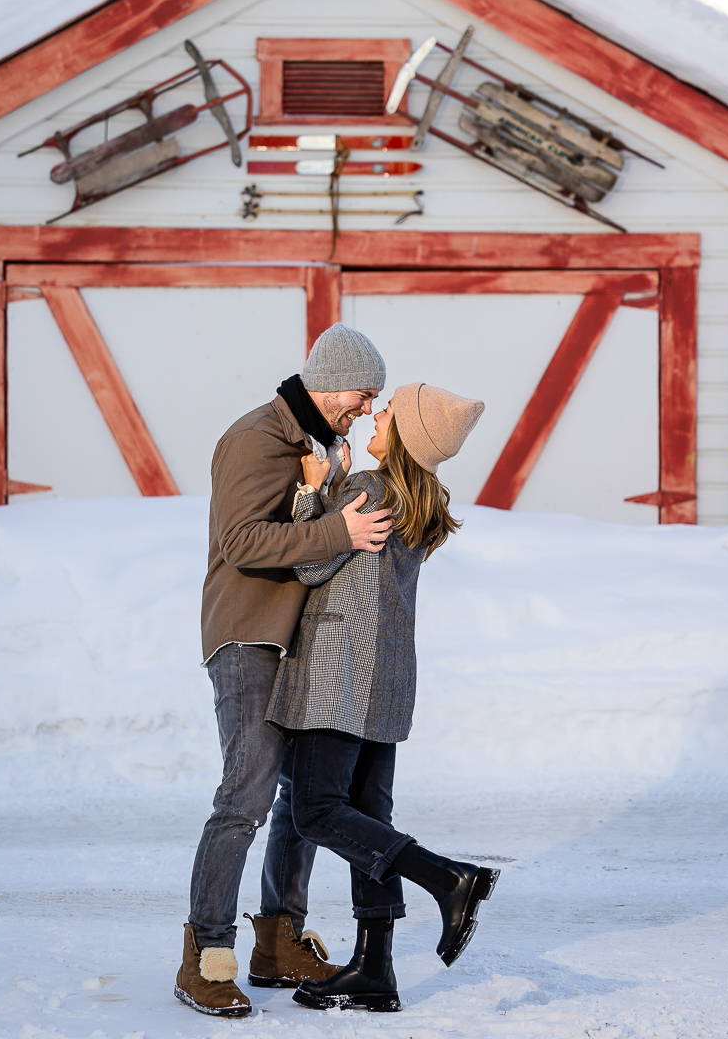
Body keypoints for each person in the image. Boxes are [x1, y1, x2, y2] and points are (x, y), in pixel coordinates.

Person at [176, 324, 394, 1018]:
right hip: (248, 637)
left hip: (297, 643)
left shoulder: (314, 446)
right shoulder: (257, 437)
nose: (364, 410)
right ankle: (205, 958)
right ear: (331, 381)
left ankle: (277, 942)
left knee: (302, 803)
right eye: (362, 396)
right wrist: (340, 530)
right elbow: (240, 542)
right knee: (244, 798)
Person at [265, 383, 499, 1014]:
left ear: (409, 435)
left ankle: (449, 878)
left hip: (338, 680)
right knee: (369, 816)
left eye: (389, 411)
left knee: (315, 810)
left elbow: (310, 565)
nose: (376, 414)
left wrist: (313, 491)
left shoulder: (369, 488)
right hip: (387, 682)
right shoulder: (424, 503)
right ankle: (375, 967)